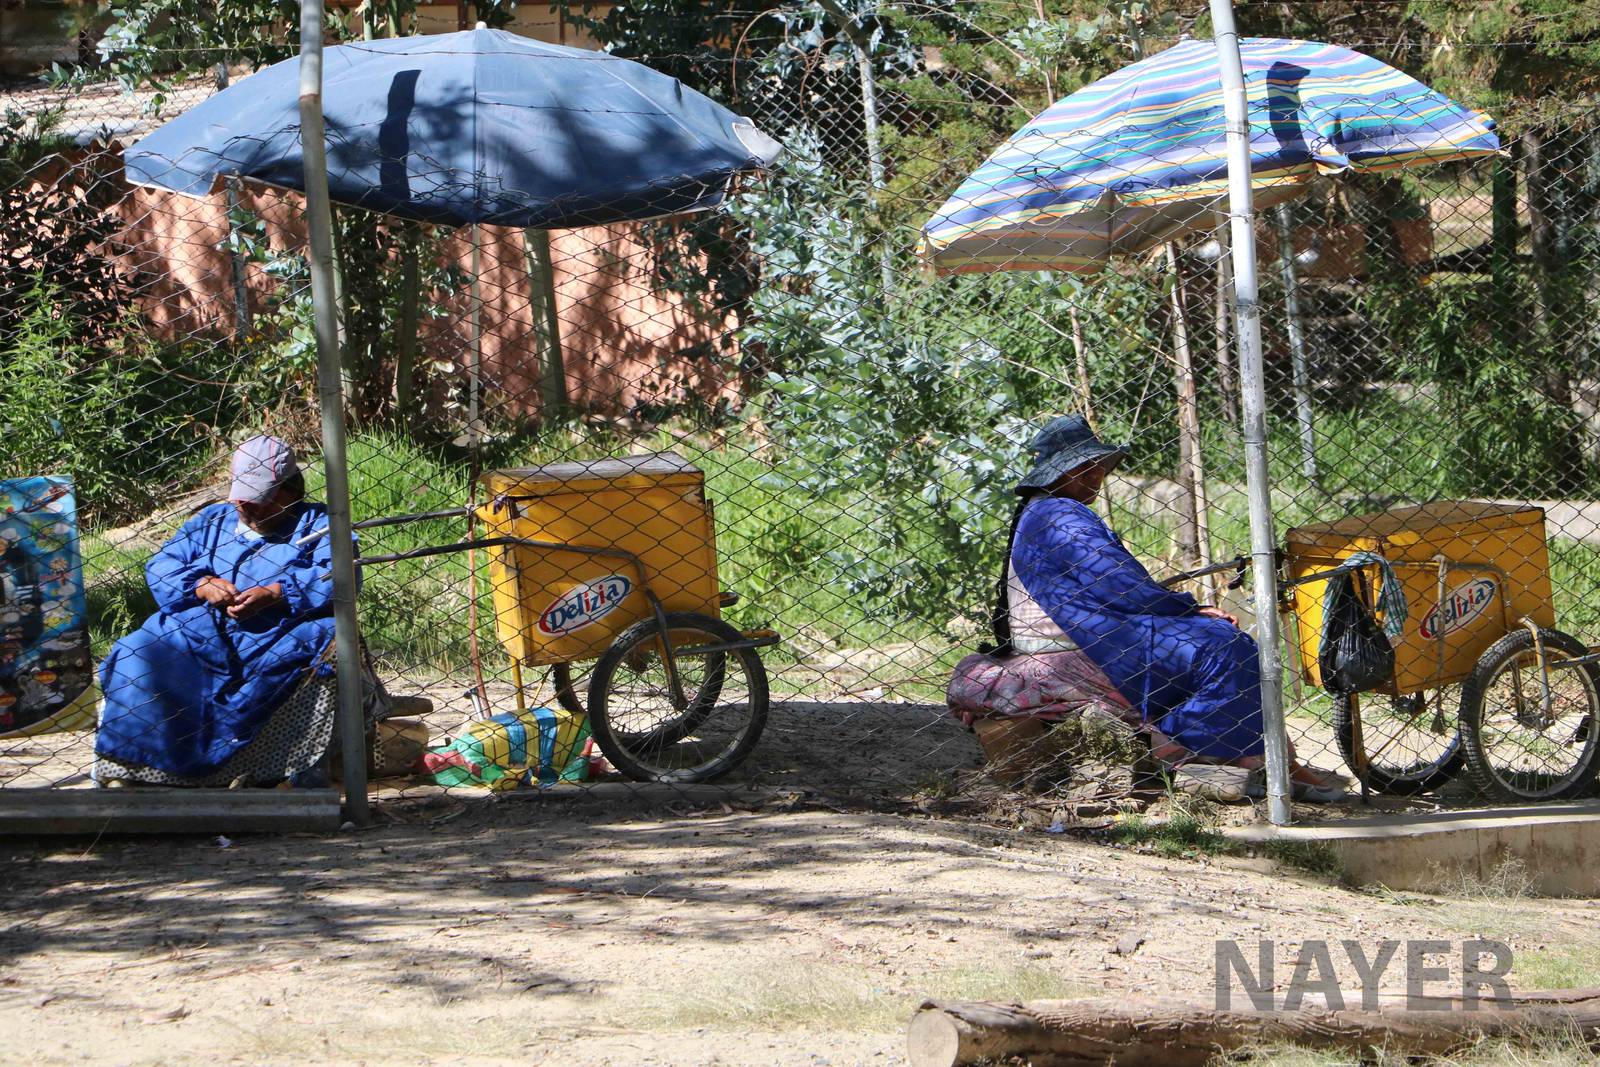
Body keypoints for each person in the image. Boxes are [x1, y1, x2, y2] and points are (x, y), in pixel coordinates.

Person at [1002, 414, 1341, 796]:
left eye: (1096, 466)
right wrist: (1187, 610)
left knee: (1220, 638)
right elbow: (1120, 585)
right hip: (1093, 632)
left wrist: (1184, 612)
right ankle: (1178, 744)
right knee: (1227, 648)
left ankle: (1259, 760)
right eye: (1080, 469)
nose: (1095, 475)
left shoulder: (1044, 510)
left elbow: (1116, 585)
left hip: (1093, 624)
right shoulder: (1060, 514)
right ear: (1055, 474)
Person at [94, 435, 345, 782]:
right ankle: (136, 770)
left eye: (263, 502)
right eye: (244, 501)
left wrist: (278, 592)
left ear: (291, 491)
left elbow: (340, 574)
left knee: (325, 636)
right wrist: (200, 584)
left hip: (274, 637)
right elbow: (162, 565)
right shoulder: (212, 521)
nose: (251, 510)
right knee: (137, 652)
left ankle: (261, 771)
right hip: (198, 634)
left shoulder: (319, 524)